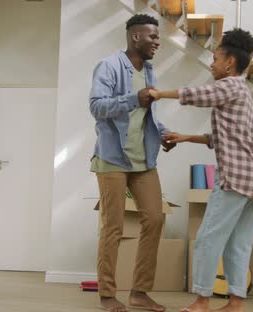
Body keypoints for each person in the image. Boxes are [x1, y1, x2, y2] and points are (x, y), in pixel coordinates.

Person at [149, 28, 253, 312]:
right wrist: (185, 137)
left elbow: (199, 94)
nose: (212, 64)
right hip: (251, 180)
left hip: (235, 179)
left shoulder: (231, 85)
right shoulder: (240, 92)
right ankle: (236, 303)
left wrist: (158, 94)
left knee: (207, 238)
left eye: (216, 58)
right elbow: (223, 137)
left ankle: (202, 300)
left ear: (230, 62)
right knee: (238, 243)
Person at [89, 14, 175, 312]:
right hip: (112, 158)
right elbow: (97, 107)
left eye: (158, 37)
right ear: (135, 36)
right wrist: (132, 99)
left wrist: (163, 133)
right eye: (153, 37)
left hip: (144, 160)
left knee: (155, 218)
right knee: (112, 226)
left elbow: (147, 113)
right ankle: (107, 295)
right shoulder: (109, 66)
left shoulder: (149, 70)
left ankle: (139, 292)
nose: (157, 42)